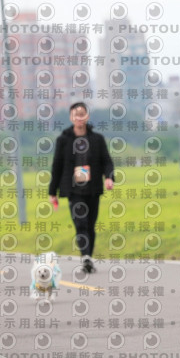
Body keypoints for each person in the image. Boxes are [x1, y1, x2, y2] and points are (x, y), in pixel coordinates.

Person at [49, 102, 114, 273]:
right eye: (75, 115)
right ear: (71, 118)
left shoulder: (97, 139)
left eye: (82, 114)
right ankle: (85, 257)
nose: (79, 117)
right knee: (81, 223)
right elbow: (57, 166)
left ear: (87, 116)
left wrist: (109, 177)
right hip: (73, 189)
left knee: (90, 224)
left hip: (93, 187)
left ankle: (88, 258)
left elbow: (107, 161)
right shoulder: (63, 140)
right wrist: (52, 192)